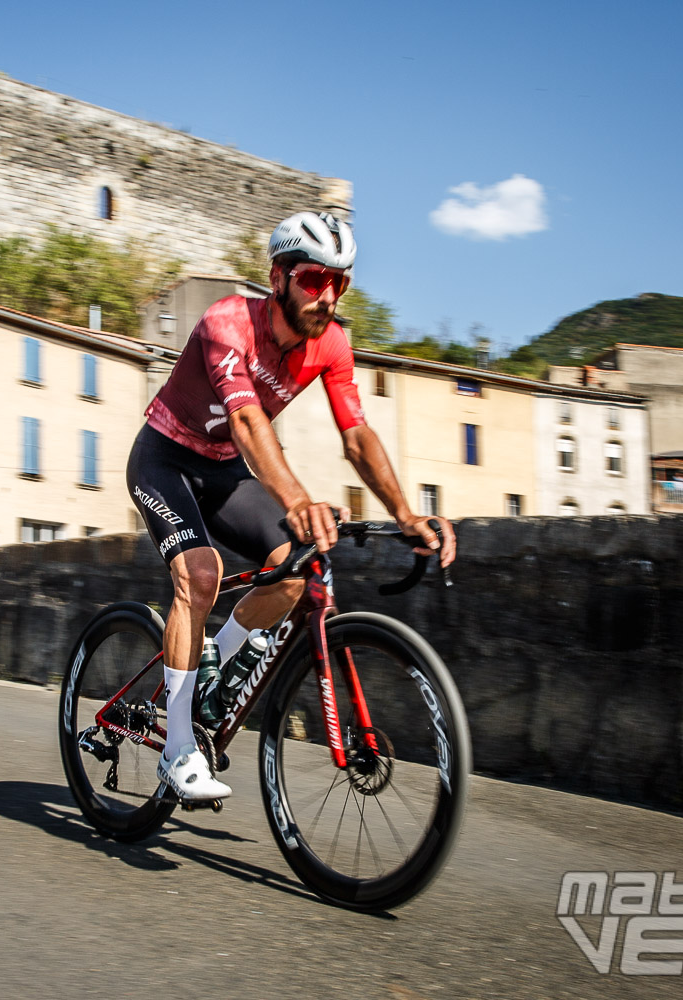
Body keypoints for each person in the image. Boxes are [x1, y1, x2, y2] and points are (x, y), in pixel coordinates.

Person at [126, 211, 457, 802]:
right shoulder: (227, 321)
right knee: (201, 573)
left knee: (298, 571)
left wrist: (407, 514)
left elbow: (356, 436)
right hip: (165, 458)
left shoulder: (331, 345)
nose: (325, 296)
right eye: (312, 279)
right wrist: (298, 498)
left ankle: (212, 670)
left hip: (223, 471)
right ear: (278, 277)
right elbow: (249, 422)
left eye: (339, 284)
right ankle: (178, 750)